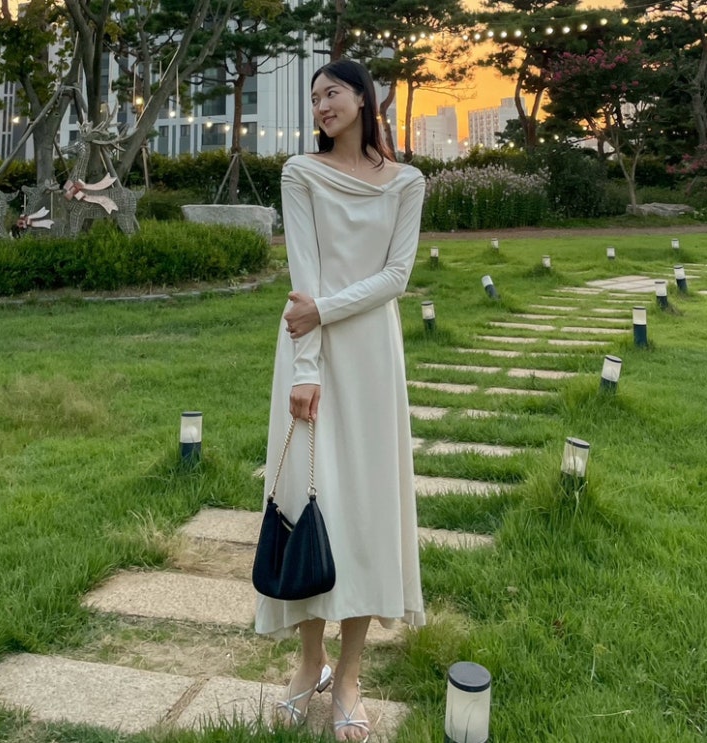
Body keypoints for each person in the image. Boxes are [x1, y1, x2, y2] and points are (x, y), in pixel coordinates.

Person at [254, 58, 426, 742]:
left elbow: (397, 276)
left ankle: (350, 675)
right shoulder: (301, 172)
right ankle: (310, 662)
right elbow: (305, 276)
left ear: (362, 98)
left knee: (365, 513)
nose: (322, 105)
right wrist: (306, 367)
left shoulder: (406, 182)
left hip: (373, 357)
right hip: (309, 357)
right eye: (315, 97)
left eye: (332, 92)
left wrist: (324, 309)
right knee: (306, 501)